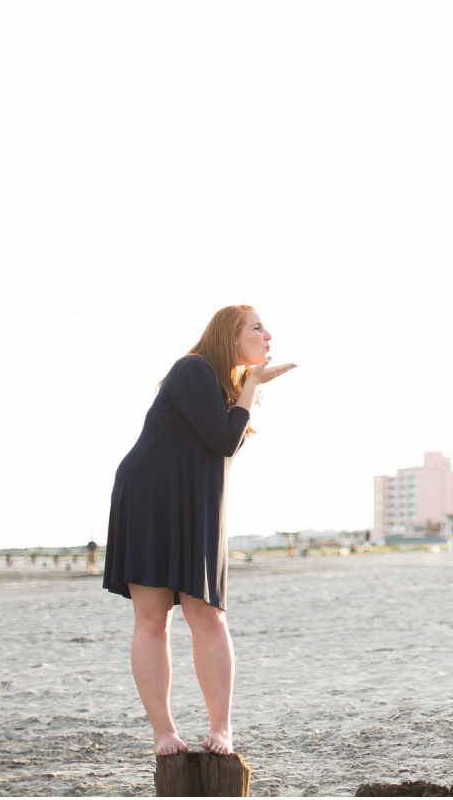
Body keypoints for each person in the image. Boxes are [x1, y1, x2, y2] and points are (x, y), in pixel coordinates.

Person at [103, 305, 294, 757]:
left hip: (198, 502)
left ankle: (220, 729)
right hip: (150, 494)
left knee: (207, 615)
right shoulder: (193, 369)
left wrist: (247, 388)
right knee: (153, 619)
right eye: (257, 327)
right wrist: (252, 384)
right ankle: (163, 732)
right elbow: (224, 440)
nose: (268, 335)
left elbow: (221, 445)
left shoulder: (229, 387)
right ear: (231, 335)